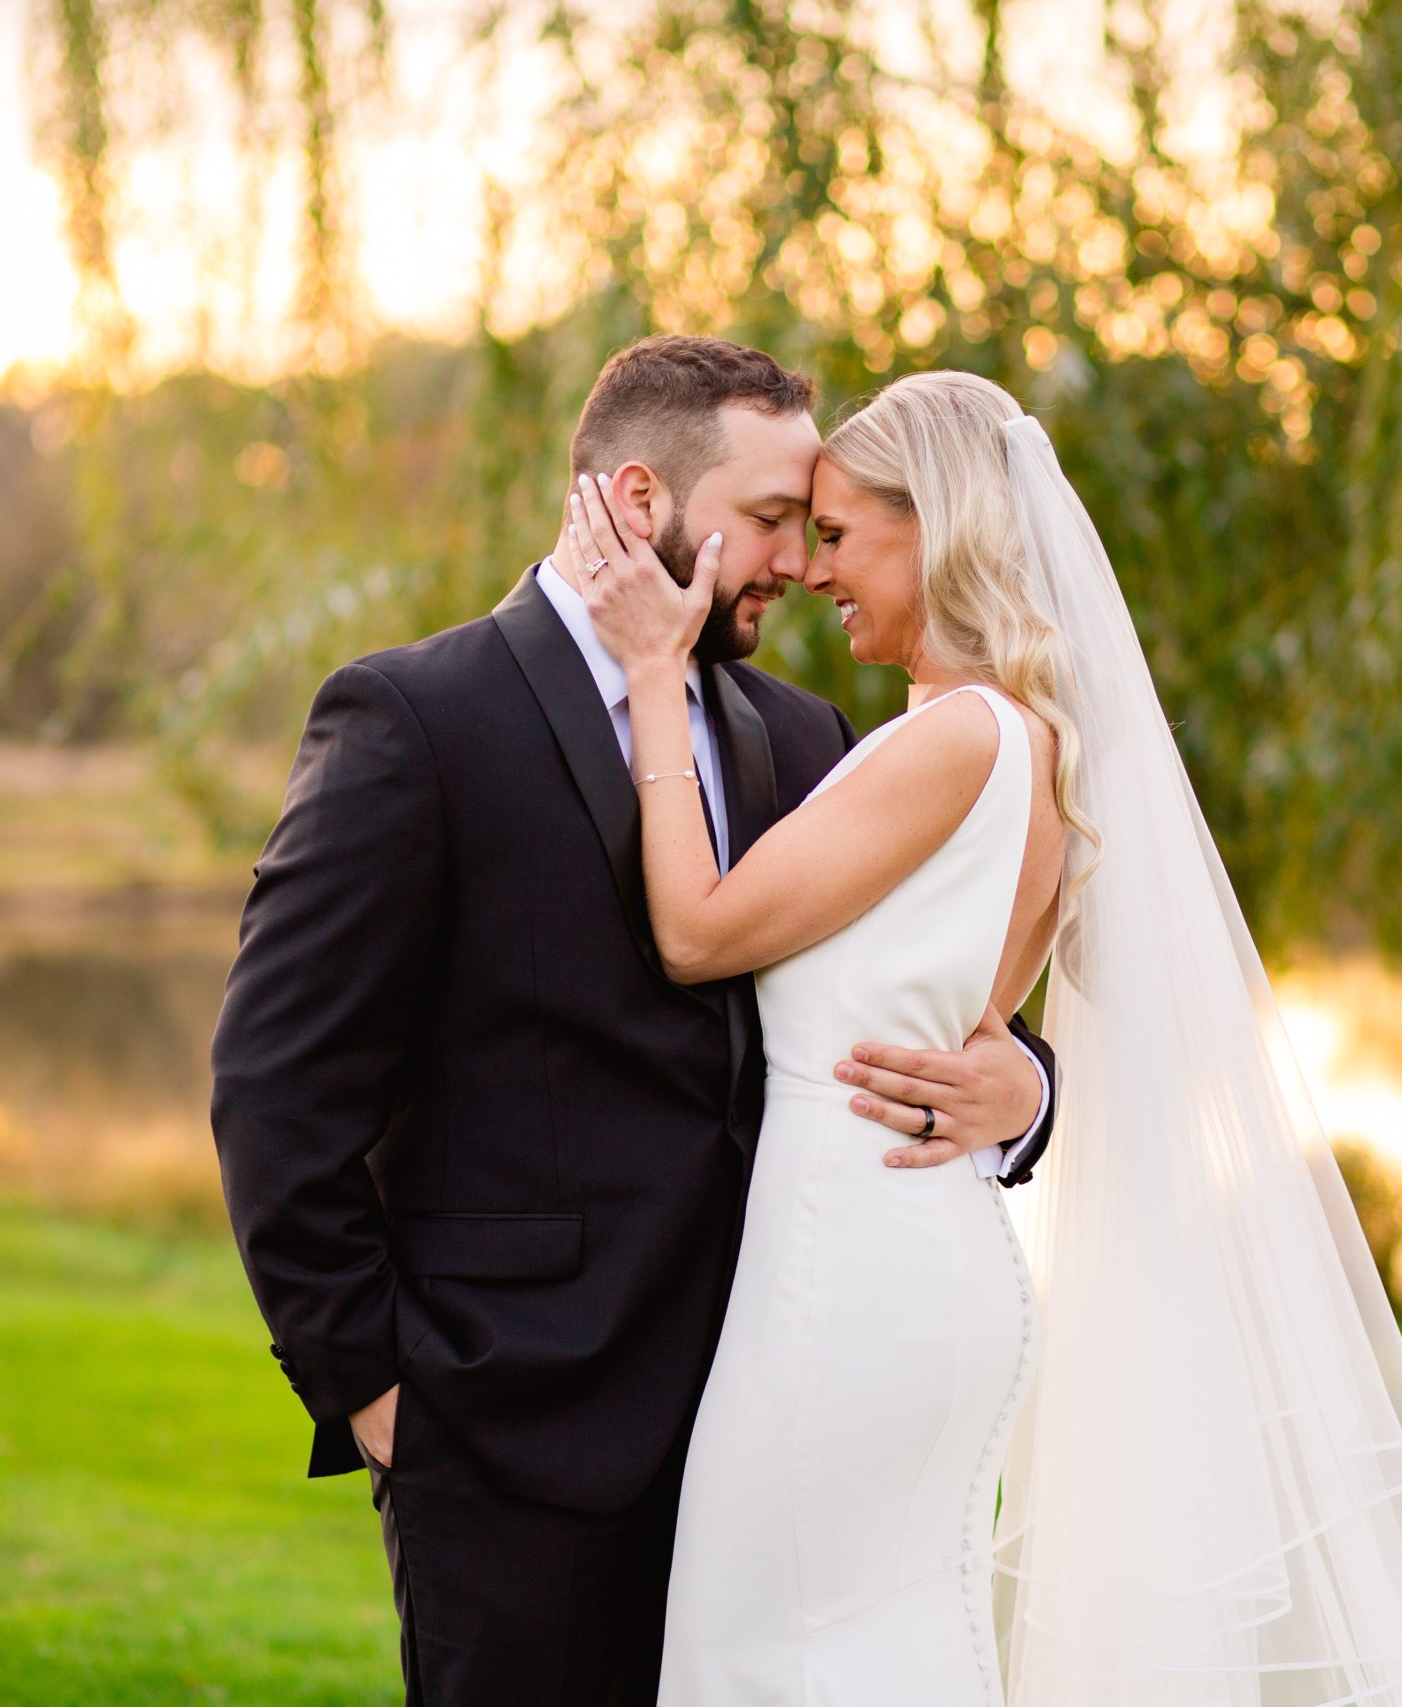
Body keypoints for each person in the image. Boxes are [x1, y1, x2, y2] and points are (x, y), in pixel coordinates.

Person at [567, 370, 1402, 1706]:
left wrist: (656, 678)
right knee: (899, 1650)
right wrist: (1025, 1080)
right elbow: (997, 1008)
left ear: (933, 523)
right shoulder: (1041, 748)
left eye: (838, 536)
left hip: (844, 1279)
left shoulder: (954, 737)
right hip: (929, 1257)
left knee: (756, 1654)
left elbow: (699, 934)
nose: (812, 569)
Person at [207, 336, 1062, 1707]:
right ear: (638, 500)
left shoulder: (805, 736)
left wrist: (1024, 1093)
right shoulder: (417, 721)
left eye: (817, 525)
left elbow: (916, 990)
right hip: (513, 1437)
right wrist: (376, 1395)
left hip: (782, 1406)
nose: (798, 561)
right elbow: (275, 1091)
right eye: (773, 519)